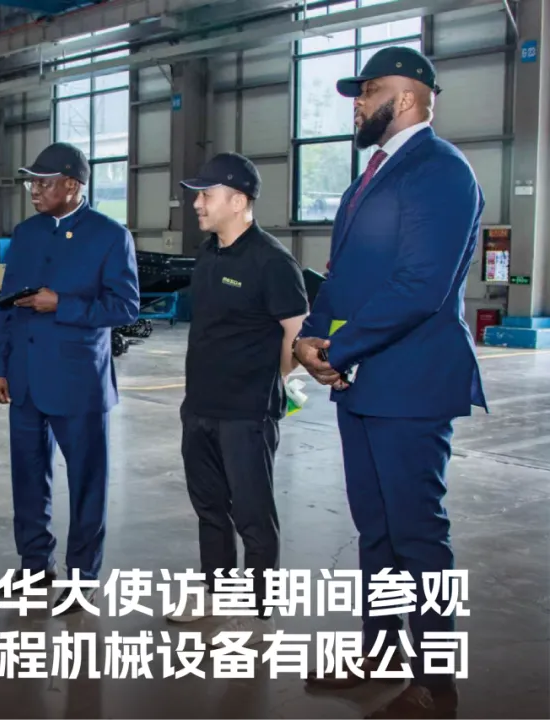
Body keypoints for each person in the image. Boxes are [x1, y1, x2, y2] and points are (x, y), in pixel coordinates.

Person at [292, 47, 483, 719]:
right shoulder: (365, 182)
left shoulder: (441, 172)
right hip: (361, 382)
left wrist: (340, 348)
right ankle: (382, 650)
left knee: (417, 533)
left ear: (405, 99)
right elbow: (340, 279)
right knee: (376, 530)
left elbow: (421, 287)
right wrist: (311, 337)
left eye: (367, 92)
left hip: (412, 382)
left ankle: (436, 682)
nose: (357, 105)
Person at [0, 142, 140, 614]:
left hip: (78, 382)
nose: (34, 190)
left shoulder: (110, 236)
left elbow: (125, 307)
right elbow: (8, 305)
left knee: (87, 482)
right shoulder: (26, 233)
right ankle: (35, 565)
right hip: (24, 379)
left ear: (72, 185)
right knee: (28, 477)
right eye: (32, 183)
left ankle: (83, 577)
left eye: (44, 182)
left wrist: (63, 305)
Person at [165, 153, 308, 644]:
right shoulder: (208, 255)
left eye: (206, 195)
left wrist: (270, 381)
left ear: (238, 201)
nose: (197, 204)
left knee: (252, 514)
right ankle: (216, 592)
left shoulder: (272, 261)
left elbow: (296, 335)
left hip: (247, 412)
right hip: (199, 407)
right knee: (210, 507)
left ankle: (259, 609)